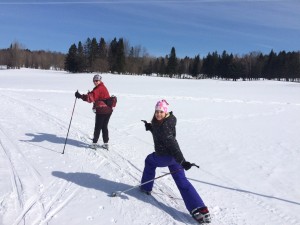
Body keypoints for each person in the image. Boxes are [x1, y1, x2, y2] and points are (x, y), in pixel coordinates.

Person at [141, 99, 211, 224]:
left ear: (165, 112)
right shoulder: (164, 122)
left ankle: (146, 187)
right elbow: (159, 134)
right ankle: (200, 208)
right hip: (173, 159)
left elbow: (173, 144)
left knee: (149, 161)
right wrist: (150, 127)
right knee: (181, 181)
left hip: (165, 156)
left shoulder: (165, 127)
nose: (158, 114)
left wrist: (183, 161)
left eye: (161, 112)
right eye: (156, 111)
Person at [75, 74, 112, 150]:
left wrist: (80, 96)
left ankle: (94, 143)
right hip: (108, 110)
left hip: (102, 111)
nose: (95, 82)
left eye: (97, 81)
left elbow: (90, 98)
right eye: (94, 81)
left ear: (100, 81)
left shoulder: (98, 88)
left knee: (98, 127)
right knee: (104, 126)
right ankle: (106, 143)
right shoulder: (102, 87)